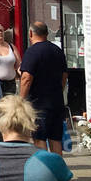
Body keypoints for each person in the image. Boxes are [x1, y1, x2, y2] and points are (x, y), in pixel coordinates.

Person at [20, 21, 69, 153]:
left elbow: (26, 78)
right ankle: (57, 170)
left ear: (31, 33)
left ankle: (44, 168)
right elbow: (64, 76)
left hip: (38, 104)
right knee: (55, 139)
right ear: (47, 33)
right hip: (56, 101)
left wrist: (21, 100)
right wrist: (58, 90)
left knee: (39, 139)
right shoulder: (57, 50)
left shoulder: (32, 52)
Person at [0, 22, 21, 95]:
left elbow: (19, 65)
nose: (0, 32)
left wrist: (24, 76)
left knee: (9, 105)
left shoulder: (11, 46)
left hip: (11, 84)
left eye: (1, 30)